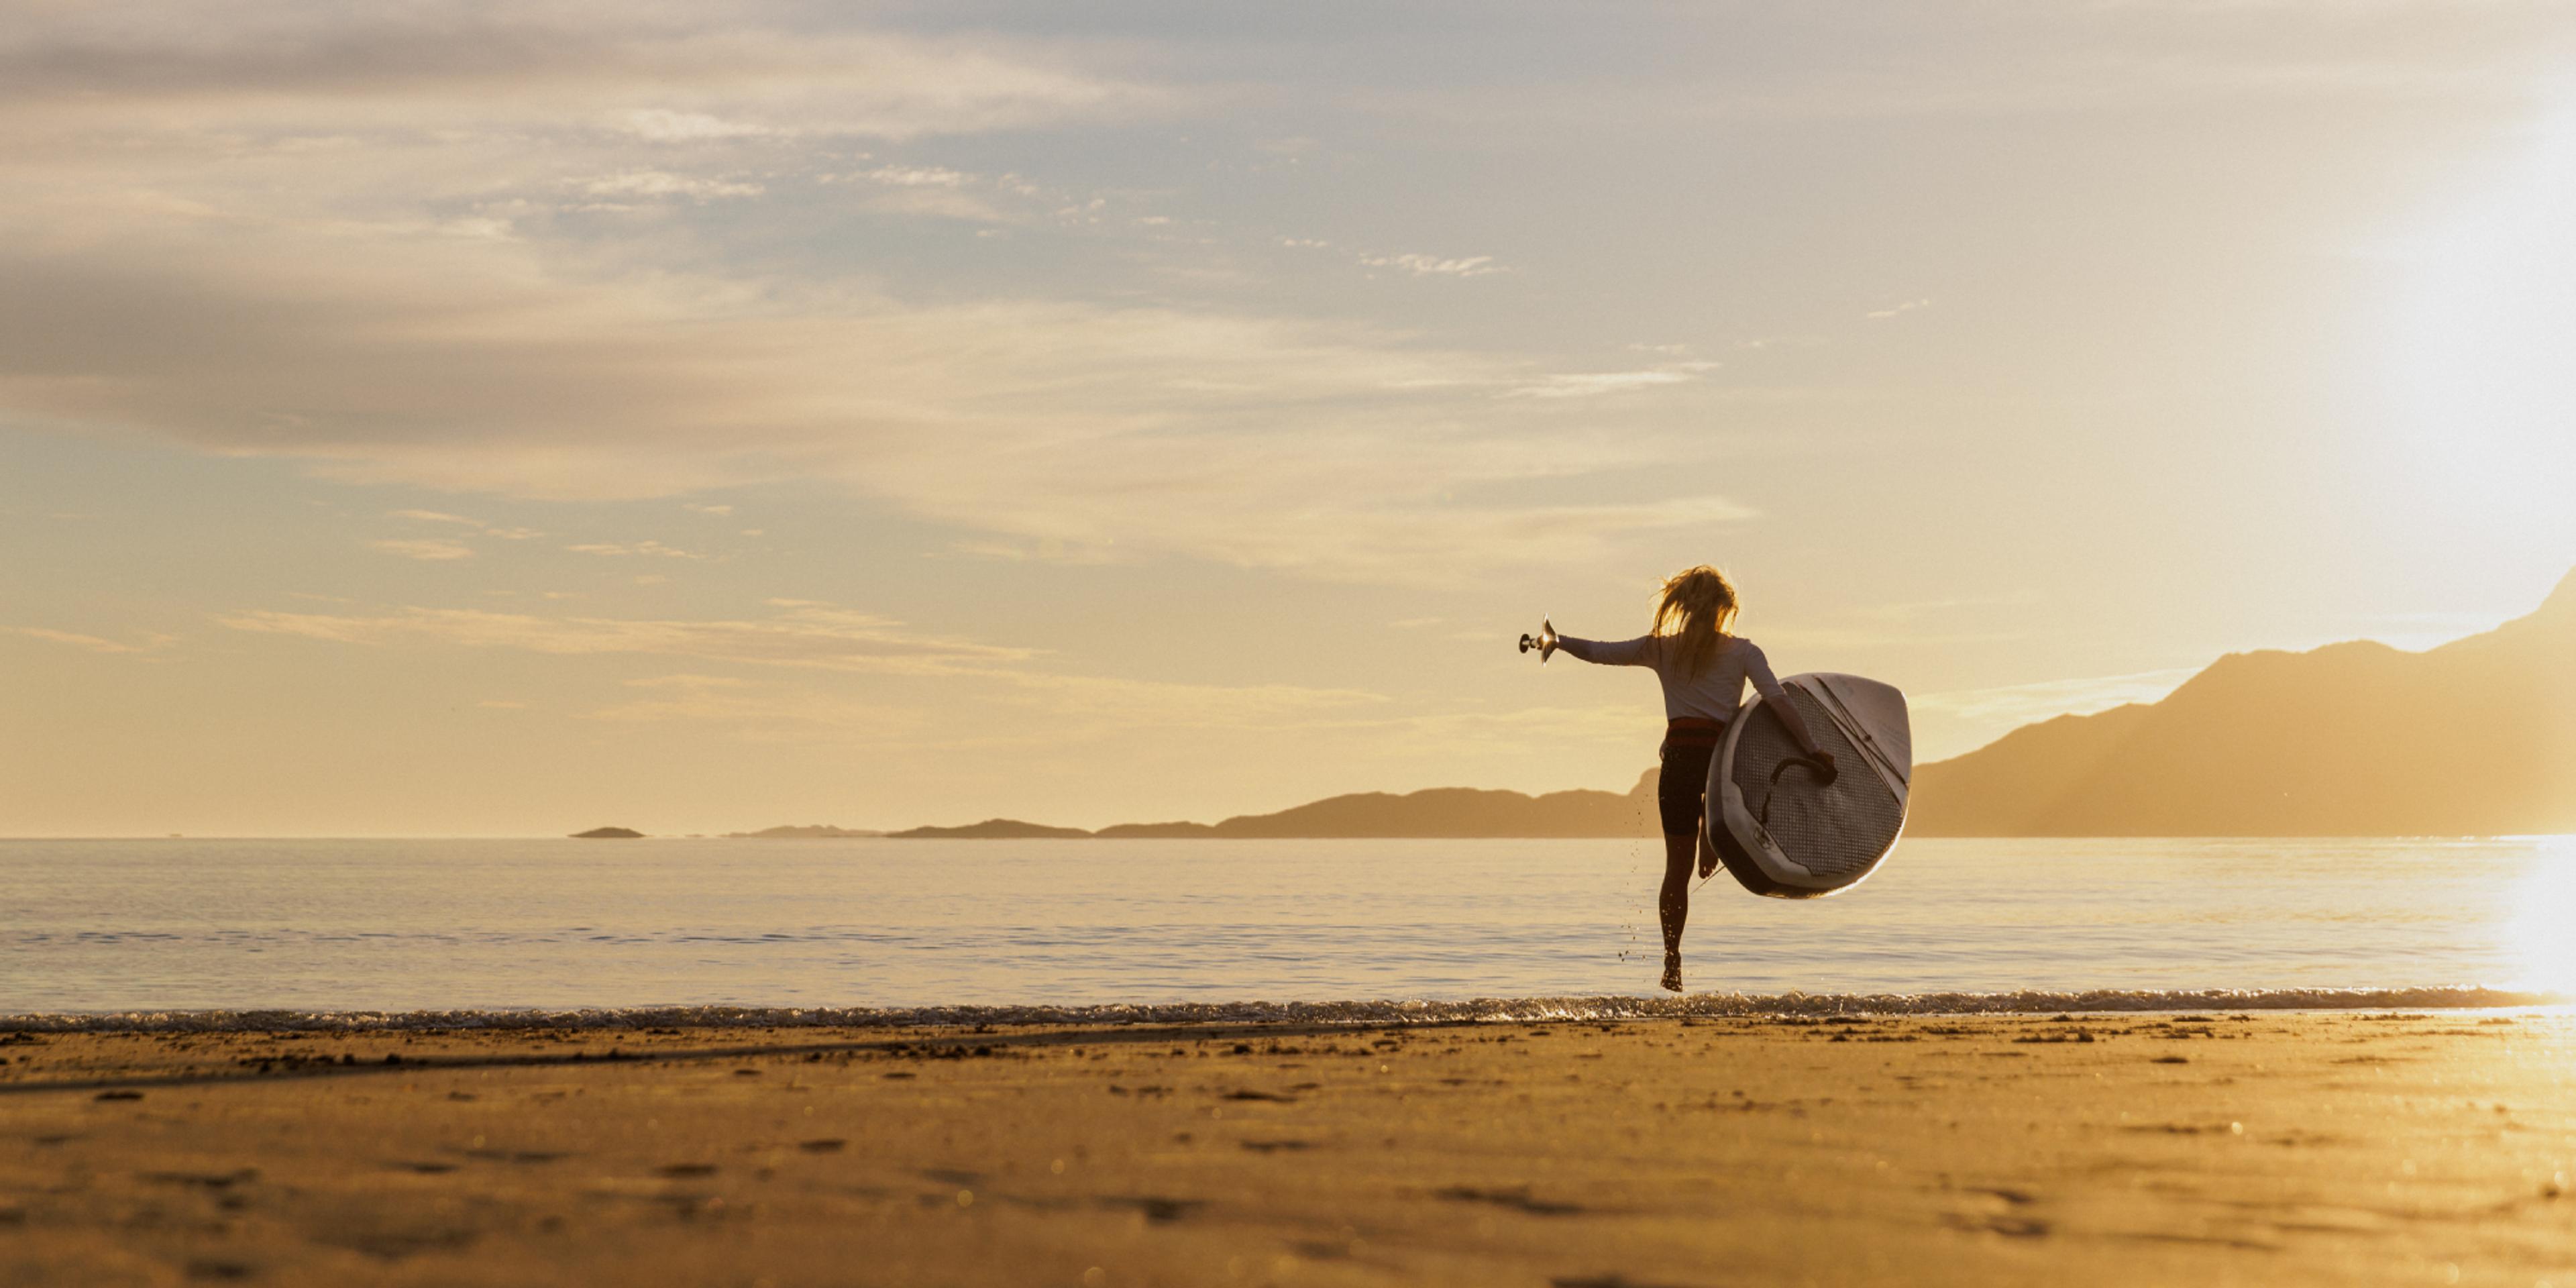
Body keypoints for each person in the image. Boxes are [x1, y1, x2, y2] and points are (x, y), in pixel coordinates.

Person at [1554, 565, 1832, 994]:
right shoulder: (1743, 652)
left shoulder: (1664, 649)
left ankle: (1671, 958)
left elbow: (1600, 651)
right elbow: (1777, 702)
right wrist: (1811, 749)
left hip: (1680, 761)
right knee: (1705, 849)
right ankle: (1712, 840)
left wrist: (1557, 641)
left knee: (1675, 870)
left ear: (1684, 605)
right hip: (1721, 765)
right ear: (1725, 609)